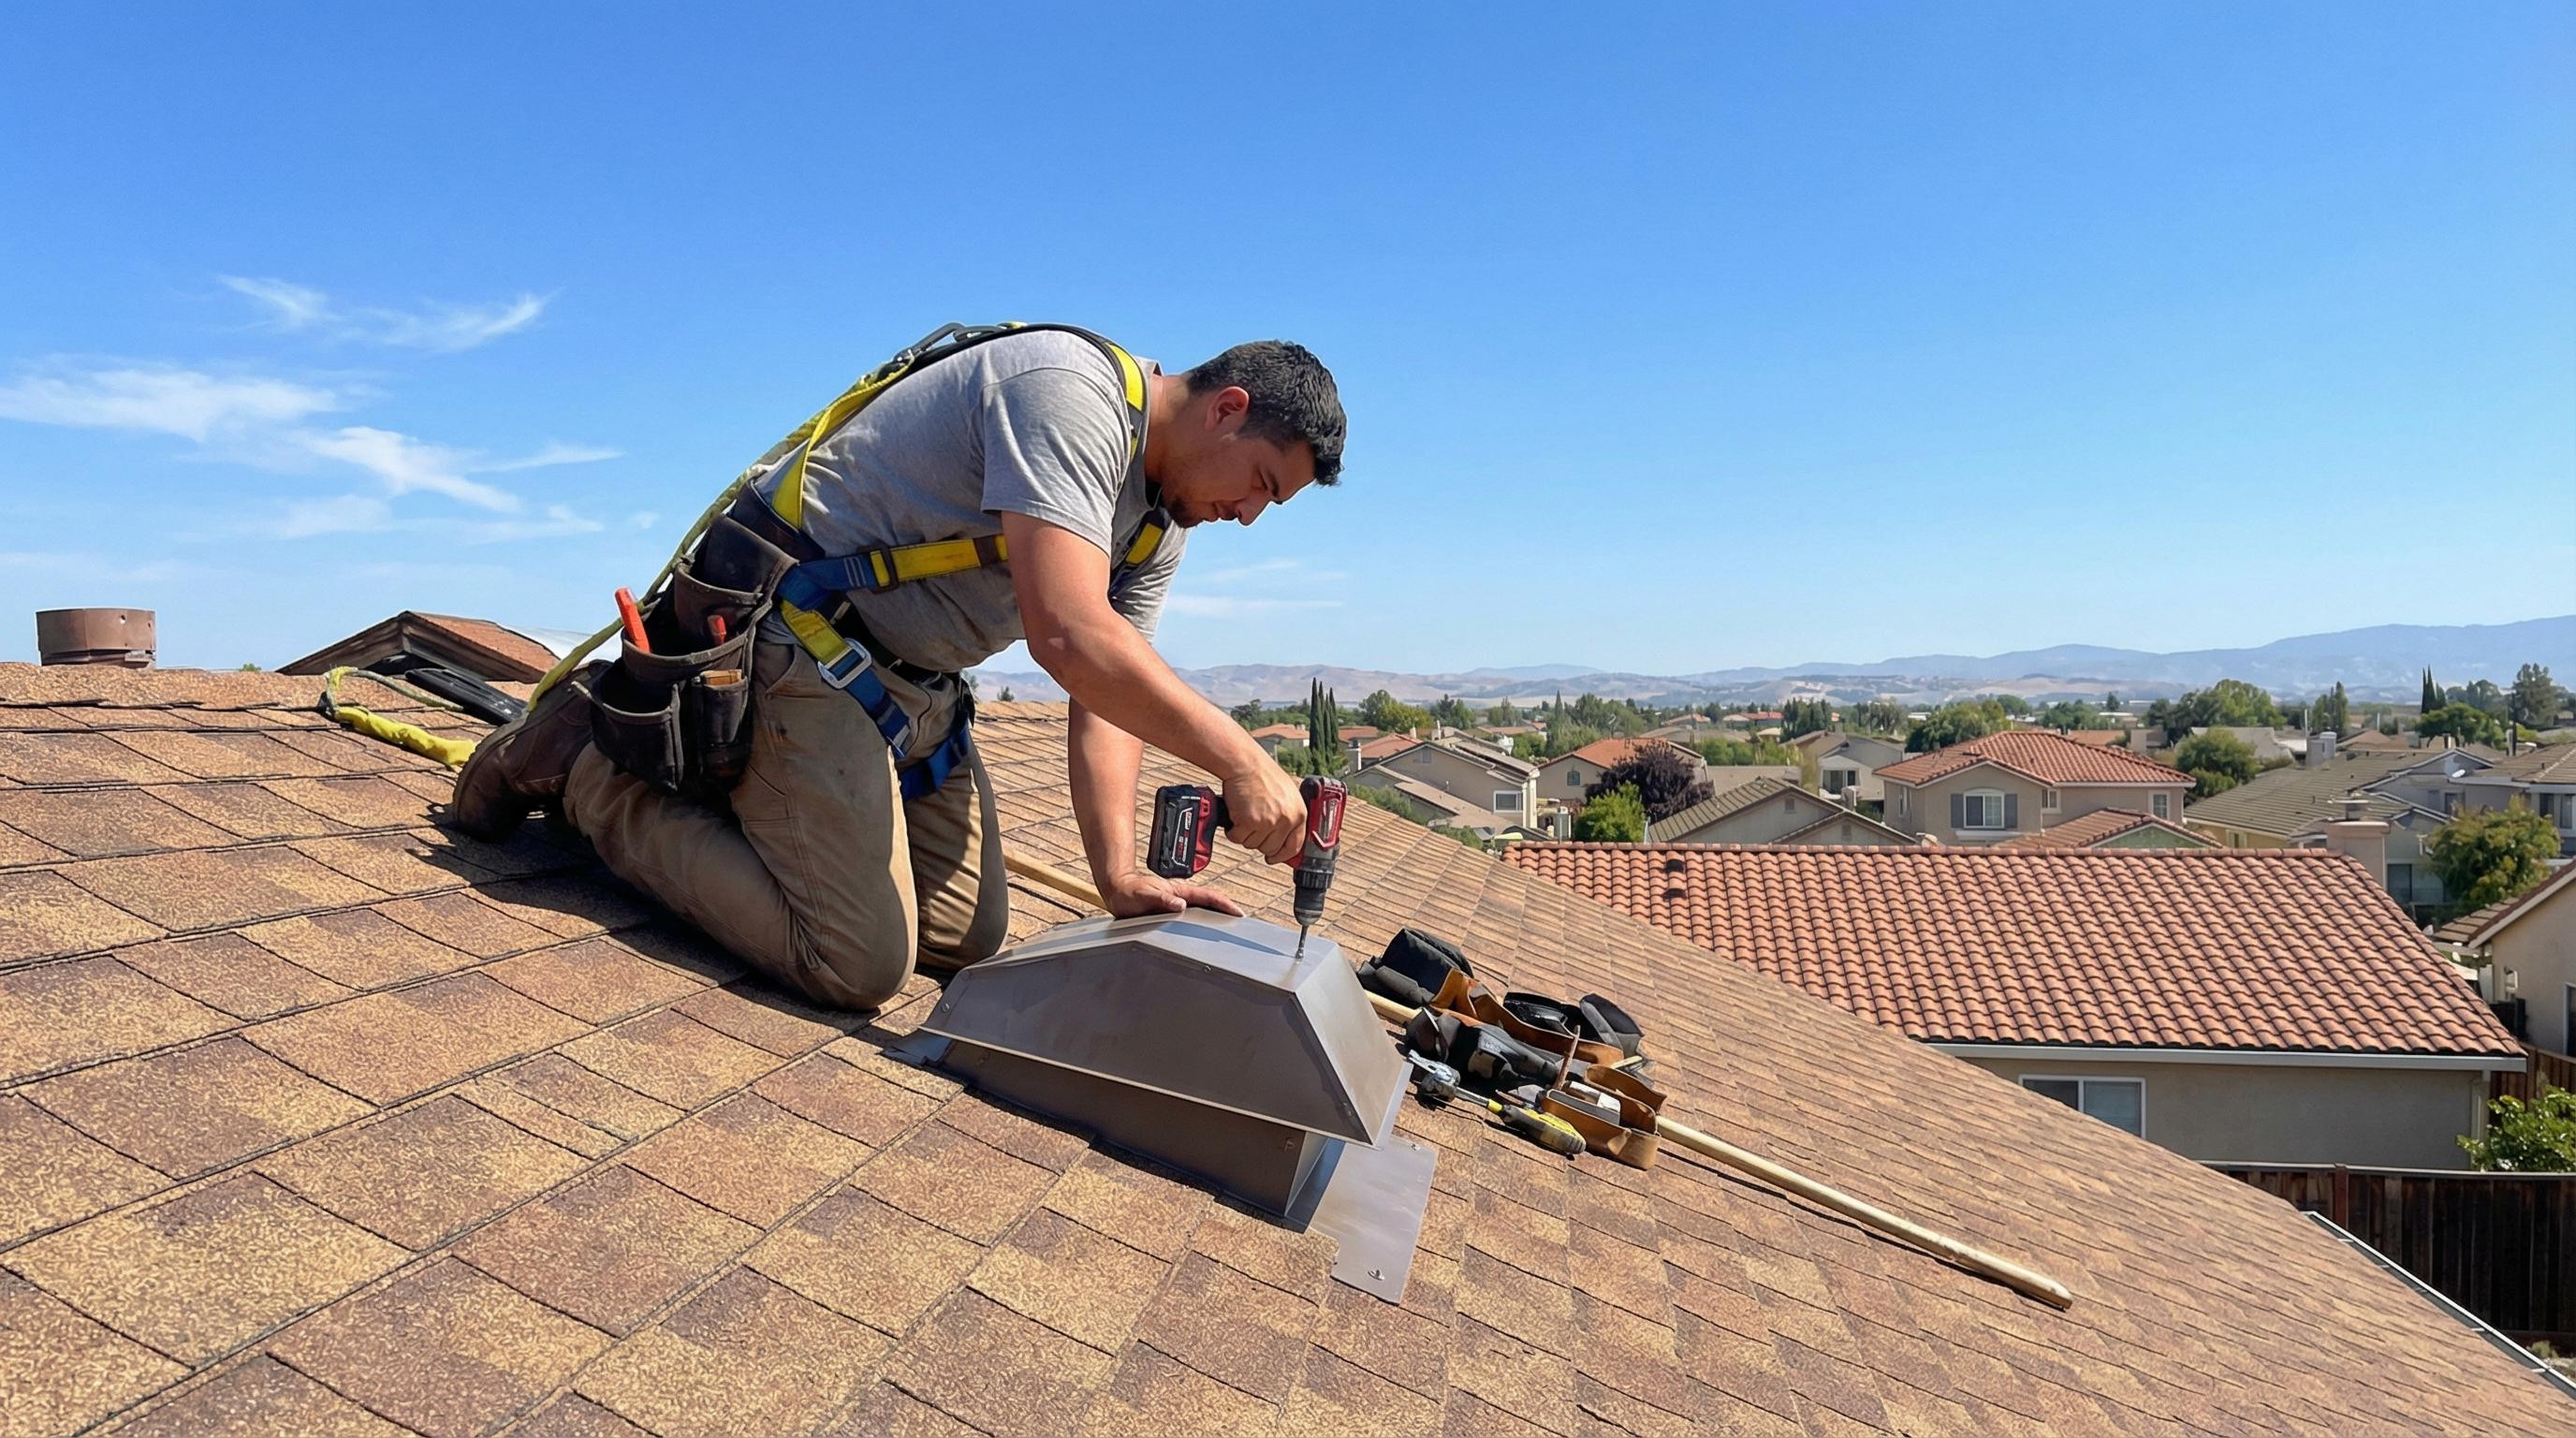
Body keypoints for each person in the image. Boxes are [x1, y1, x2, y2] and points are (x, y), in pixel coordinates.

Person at [455, 326, 1344, 1010]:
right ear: (1226, 409)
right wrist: (1240, 759)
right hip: (799, 637)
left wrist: (1117, 874)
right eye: (1262, 482)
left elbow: (1101, 687)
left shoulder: (1162, 519)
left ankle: (747, 796)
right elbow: (1067, 635)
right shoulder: (1068, 396)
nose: (1251, 515)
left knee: (967, 939)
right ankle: (591, 774)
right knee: (855, 961)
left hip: (912, 691)